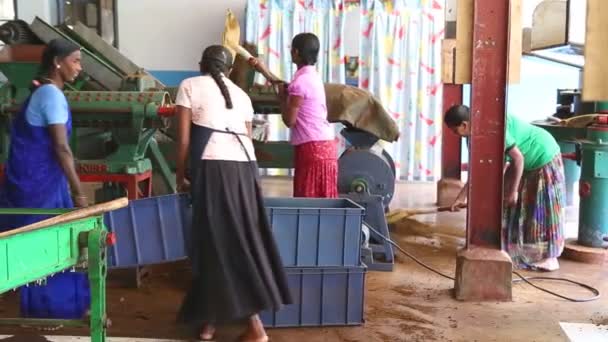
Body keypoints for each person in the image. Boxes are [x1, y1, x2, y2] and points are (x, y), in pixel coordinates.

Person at [174, 45, 292, 342]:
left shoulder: (189, 86)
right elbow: (247, 137)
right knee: (228, 238)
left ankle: (255, 327)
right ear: (228, 69)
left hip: (213, 169)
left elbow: (184, 141)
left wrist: (180, 176)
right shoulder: (242, 95)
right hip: (245, 171)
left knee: (218, 241)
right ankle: (209, 320)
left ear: (201, 64)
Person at [0, 39, 90, 321]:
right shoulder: (51, 95)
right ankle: (50, 311)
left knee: (52, 244)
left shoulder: (42, 91)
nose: (79, 67)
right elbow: (61, 148)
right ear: (57, 62)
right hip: (38, 185)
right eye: (75, 61)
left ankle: (63, 308)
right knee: (49, 247)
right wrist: (79, 193)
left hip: (36, 180)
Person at [445, 105, 566, 271]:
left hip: (543, 156)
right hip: (526, 165)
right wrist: (461, 197)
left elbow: (518, 159)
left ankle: (549, 258)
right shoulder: (472, 137)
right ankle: (521, 249)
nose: (454, 135)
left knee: (541, 211)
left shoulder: (494, 127)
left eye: (454, 130)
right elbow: (480, 170)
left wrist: (513, 191)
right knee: (516, 207)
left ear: (464, 125)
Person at [250, 33, 338, 198]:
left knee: (308, 201)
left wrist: (282, 100)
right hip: (325, 147)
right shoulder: (311, 76)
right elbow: (287, 87)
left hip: (312, 149)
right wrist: (263, 70)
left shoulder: (301, 82)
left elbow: (289, 120)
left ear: (296, 52)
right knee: (324, 204)